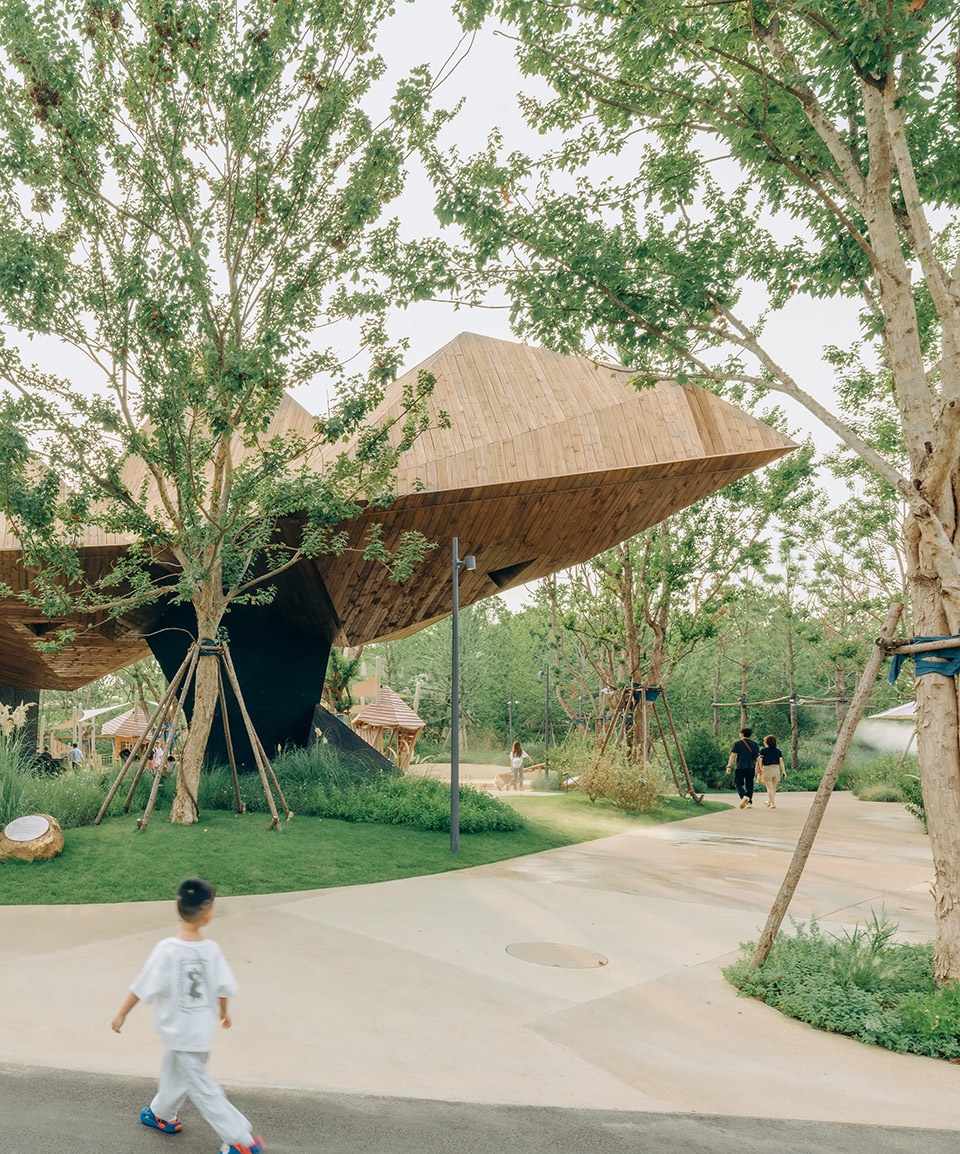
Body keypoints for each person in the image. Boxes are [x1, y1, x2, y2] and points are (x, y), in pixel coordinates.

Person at [111, 877, 265, 1154]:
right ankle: (161, 1113)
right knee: (175, 1071)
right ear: (207, 914)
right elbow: (222, 987)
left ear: (178, 908)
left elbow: (142, 985)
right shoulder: (211, 951)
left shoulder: (166, 950)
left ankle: (241, 1140)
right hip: (198, 1033)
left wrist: (121, 1014)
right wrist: (223, 1011)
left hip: (179, 1031)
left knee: (202, 1088)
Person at [725, 726, 760, 809]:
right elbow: (758, 758)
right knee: (749, 785)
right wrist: (758, 768)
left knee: (738, 783)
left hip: (740, 767)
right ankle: (748, 802)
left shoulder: (737, 743)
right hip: (751, 767)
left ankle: (743, 796)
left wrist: (729, 766)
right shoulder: (755, 744)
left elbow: (733, 755)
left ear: (742, 734)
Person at [757, 734, 787, 808]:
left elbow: (760, 760)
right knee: (773, 787)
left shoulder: (763, 751)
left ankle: (773, 804)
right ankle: (769, 801)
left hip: (767, 769)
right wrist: (783, 771)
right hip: (776, 769)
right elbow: (781, 761)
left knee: (769, 787)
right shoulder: (778, 751)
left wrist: (760, 768)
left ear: (766, 742)